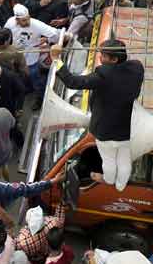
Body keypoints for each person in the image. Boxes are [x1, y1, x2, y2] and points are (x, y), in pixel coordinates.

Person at [51, 39, 144, 191]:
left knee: (109, 160)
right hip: (127, 125)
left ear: (114, 59)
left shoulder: (103, 75)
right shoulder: (137, 67)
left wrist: (57, 60)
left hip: (105, 130)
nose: (100, 58)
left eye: (104, 56)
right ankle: (121, 184)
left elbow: (73, 82)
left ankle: (109, 180)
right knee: (123, 158)